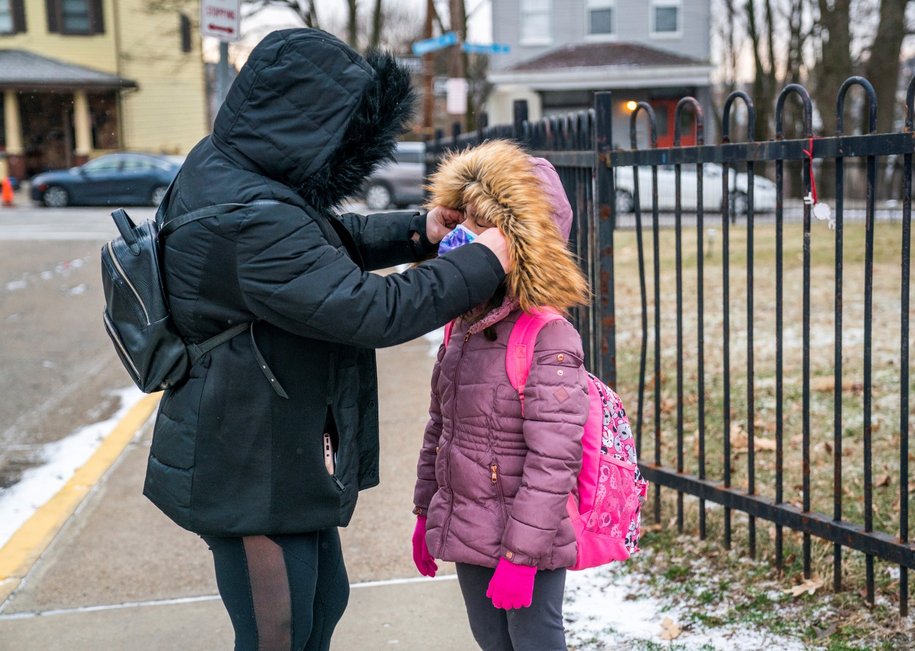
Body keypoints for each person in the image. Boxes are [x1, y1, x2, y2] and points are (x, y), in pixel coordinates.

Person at [142, 29, 511, 651]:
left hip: (269, 441)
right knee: (278, 632)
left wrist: (420, 231)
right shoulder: (248, 214)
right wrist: (485, 261)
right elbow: (374, 310)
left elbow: (317, 243)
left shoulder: (232, 168)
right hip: (247, 458)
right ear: (304, 123)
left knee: (321, 603)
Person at [411, 140, 591, 651]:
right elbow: (439, 431)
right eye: (461, 222)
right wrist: (426, 513)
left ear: (518, 241)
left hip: (528, 539)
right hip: (469, 529)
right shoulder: (462, 327)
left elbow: (554, 459)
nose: (463, 238)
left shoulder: (546, 335)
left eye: (479, 226)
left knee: (534, 642)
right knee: (492, 642)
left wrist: (522, 556)